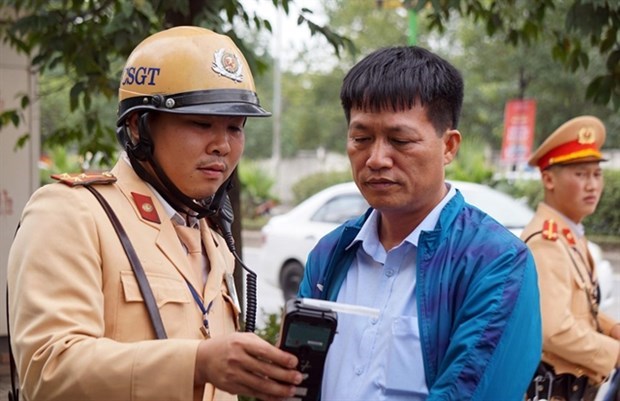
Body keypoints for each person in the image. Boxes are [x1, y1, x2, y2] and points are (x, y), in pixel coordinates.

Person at [7, 26, 302, 401]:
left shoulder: (210, 233)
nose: (222, 145)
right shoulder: (71, 211)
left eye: (235, 127)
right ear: (137, 127)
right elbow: (47, 370)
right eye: (201, 124)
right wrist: (195, 363)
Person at [297, 45, 542, 400]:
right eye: (361, 138)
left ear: (449, 146)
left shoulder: (497, 264)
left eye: (400, 140)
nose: (377, 158)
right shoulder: (330, 254)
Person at [521, 115, 620, 401]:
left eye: (596, 174)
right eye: (580, 174)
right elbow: (554, 330)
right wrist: (614, 352)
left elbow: (578, 305)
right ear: (548, 178)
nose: (592, 185)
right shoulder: (546, 241)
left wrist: (611, 327)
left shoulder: (568, 233)